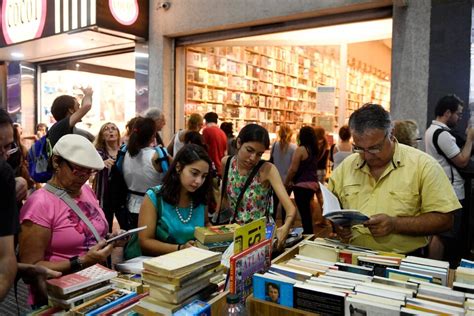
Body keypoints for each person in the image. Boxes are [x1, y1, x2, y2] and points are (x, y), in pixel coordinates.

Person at [328, 103, 460, 254]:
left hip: (403, 261)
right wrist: (337, 225)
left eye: (374, 148)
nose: (367, 155)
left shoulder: (423, 165)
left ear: (391, 133)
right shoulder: (347, 166)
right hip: (352, 255)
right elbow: (332, 206)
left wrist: (395, 224)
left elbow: (445, 220)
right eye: (359, 148)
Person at [18, 134, 124, 306]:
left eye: (88, 171)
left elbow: (90, 235)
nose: (83, 178)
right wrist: (81, 261)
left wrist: (111, 239)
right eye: (77, 170)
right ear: (56, 162)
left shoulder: (86, 191)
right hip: (61, 296)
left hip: (95, 287)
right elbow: (30, 268)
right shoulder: (39, 204)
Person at [0, 110, 61, 303]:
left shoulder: (4, 175)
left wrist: (21, 268)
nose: (3, 156)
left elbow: (4, 257)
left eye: (8, 147)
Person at [218, 124, 296, 249]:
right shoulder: (226, 163)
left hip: (260, 238)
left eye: (259, 154)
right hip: (235, 236)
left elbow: (290, 208)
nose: (253, 158)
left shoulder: (267, 170)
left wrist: (286, 226)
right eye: (249, 150)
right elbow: (224, 199)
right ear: (239, 143)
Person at [425, 94, 474, 264]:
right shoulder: (442, 134)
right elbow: (462, 160)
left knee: (439, 233)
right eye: (458, 114)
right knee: (444, 235)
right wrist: (470, 139)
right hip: (450, 191)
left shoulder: (431, 131)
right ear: (447, 112)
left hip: (442, 188)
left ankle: (434, 270)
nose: (460, 118)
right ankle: (436, 270)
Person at [137, 144, 212, 255]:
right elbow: (145, 241)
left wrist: (216, 234)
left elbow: (205, 223)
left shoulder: (200, 197)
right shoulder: (154, 197)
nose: (198, 181)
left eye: (204, 176)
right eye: (194, 173)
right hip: (161, 265)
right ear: (178, 167)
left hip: (195, 262)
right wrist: (180, 248)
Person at [123, 117, 169, 228]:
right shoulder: (157, 155)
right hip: (154, 207)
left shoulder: (125, 153)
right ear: (153, 136)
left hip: (131, 205)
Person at [285, 126, 320, 234]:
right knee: (307, 212)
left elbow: (293, 169)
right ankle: (309, 233)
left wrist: (286, 181)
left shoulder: (300, 150)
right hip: (313, 184)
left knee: (304, 214)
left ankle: (308, 235)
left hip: (301, 185)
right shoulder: (314, 150)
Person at [93, 122, 121, 231]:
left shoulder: (124, 151)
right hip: (104, 195)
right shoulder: (97, 153)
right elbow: (90, 171)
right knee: (105, 227)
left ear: (118, 134)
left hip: (121, 195)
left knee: (126, 225)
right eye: (106, 129)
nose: (110, 131)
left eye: (113, 128)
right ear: (102, 135)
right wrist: (101, 164)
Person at [270, 125, 296, 223]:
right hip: (287, 181)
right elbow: (293, 166)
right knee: (286, 206)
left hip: (275, 179)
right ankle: (285, 227)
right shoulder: (293, 147)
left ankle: (271, 228)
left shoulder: (275, 145)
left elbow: (271, 161)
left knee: (274, 205)